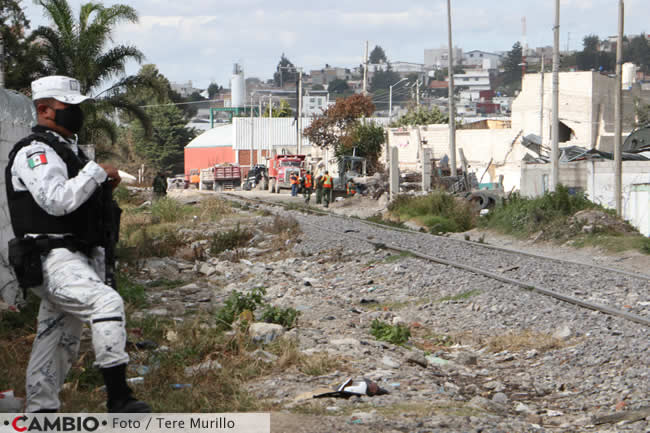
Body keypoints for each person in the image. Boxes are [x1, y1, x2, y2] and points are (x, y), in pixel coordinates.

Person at [5, 76, 151, 413]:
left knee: (57, 339)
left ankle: (41, 412)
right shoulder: (34, 151)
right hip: (51, 258)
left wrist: (102, 186)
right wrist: (96, 173)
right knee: (105, 304)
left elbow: (81, 208)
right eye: (69, 108)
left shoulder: (65, 152)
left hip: (73, 258)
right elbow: (55, 201)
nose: (77, 114)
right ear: (44, 109)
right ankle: (119, 398)